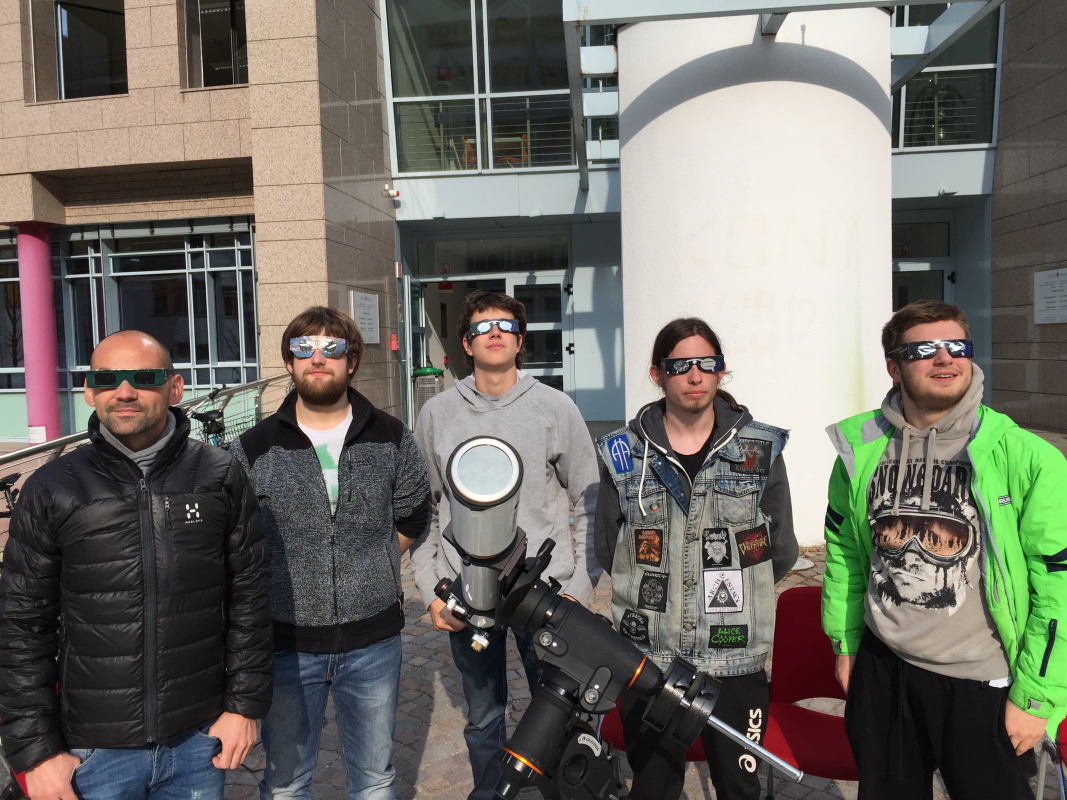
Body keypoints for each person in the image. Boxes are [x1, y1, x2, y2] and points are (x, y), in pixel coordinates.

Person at [0, 330, 272, 800]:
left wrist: (244, 707)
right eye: (107, 379)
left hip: (198, 740)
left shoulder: (220, 473)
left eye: (143, 377)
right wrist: (36, 753)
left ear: (175, 387)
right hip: (91, 750)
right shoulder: (52, 486)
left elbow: (250, 595)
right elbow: (21, 625)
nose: (124, 392)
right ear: (89, 391)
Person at [822, 300, 1067, 800]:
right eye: (923, 349)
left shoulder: (1025, 457)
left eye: (957, 346)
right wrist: (846, 644)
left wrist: (1036, 697)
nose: (944, 358)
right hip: (884, 671)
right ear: (894, 367)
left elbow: (1059, 585)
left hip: (983, 682)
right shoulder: (859, 448)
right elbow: (844, 550)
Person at [229, 306, 430, 800]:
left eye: (331, 347)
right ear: (290, 362)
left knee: (375, 780)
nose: (317, 358)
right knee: (286, 783)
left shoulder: (391, 436)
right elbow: (236, 540)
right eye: (304, 348)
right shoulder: (253, 448)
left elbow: (413, 514)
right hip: (286, 645)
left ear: (351, 360)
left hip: (373, 642)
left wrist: (370, 562)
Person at [593, 317, 798, 800]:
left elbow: (781, 549)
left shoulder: (759, 449)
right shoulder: (623, 453)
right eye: (680, 365)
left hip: (736, 657)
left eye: (707, 364)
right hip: (651, 657)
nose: (695, 375)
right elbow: (609, 547)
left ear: (721, 371)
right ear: (657, 374)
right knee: (653, 786)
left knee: (740, 788)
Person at [410, 290, 600, 800]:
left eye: (506, 326)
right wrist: (430, 589)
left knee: (556, 712)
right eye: (481, 327)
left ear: (520, 341)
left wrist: (579, 586)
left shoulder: (555, 408)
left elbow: (590, 502)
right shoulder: (438, 414)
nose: (494, 333)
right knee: (483, 717)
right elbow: (423, 508)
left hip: (546, 593)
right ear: (466, 344)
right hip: (467, 593)